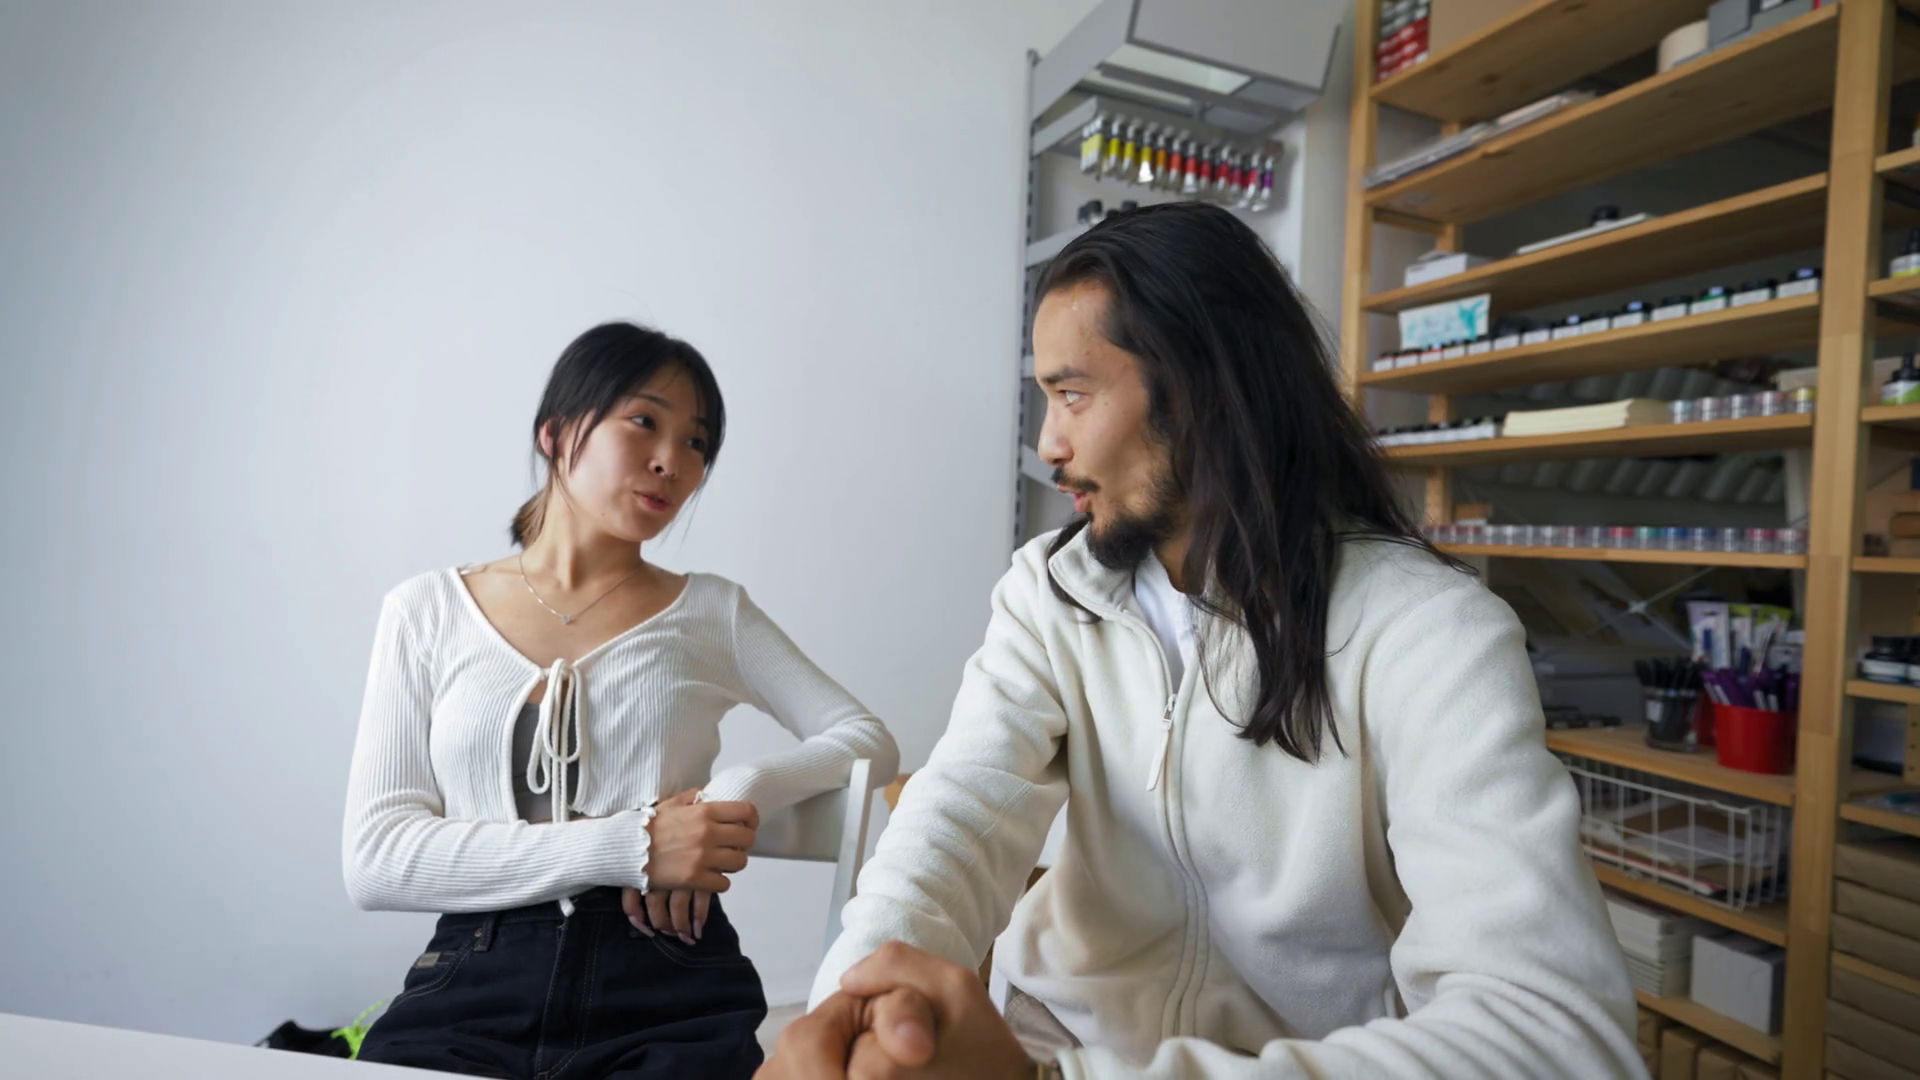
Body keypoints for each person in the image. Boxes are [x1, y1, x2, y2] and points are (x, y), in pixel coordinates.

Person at [760, 203, 1640, 1079]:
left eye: (1072, 395)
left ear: (1200, 391)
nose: (1048, 443)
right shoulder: (1049, 591)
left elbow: (1557, 1038)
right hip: (1051, 1033)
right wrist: (851, 1010)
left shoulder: (1431, 633)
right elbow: (958, 812)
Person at [342, 321, 899, 1079]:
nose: (673, 461)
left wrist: (737, 792)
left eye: (697, 443)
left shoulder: (712, 612)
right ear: (555, 431)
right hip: (472, 980)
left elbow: (865, 736)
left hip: (670, 981)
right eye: (643, 421)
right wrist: (634, 844)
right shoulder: (428, 611)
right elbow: (376, 860)